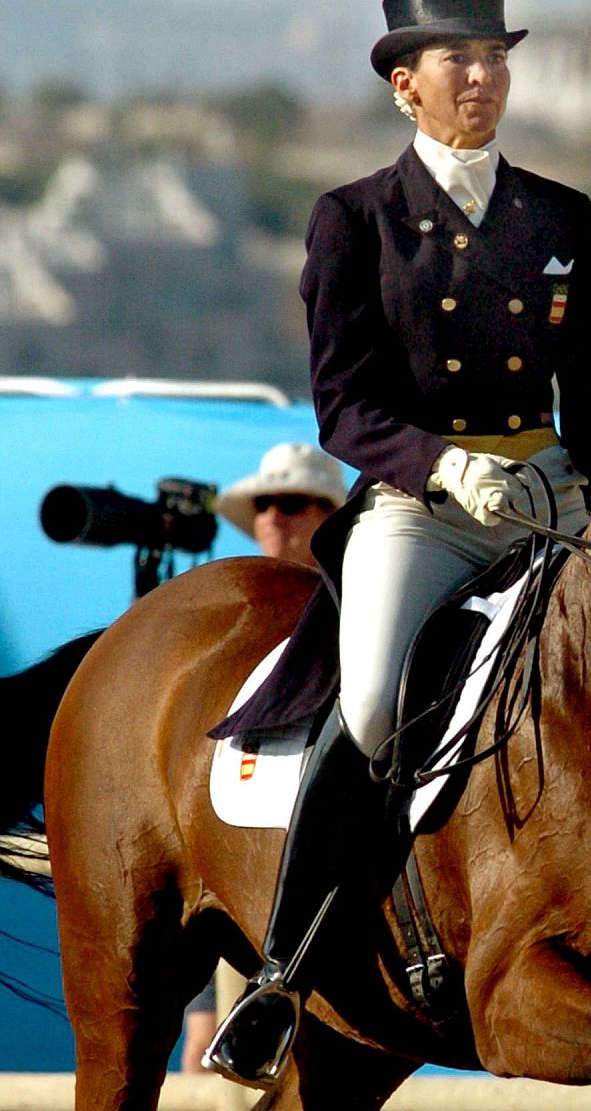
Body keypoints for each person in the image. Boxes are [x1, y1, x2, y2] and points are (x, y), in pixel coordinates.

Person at [203, 0, 591, 1088]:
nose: (483, 77)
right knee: (377, 699)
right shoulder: (354, 218)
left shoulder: (558, 214)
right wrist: (445, 470)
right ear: (406, 86)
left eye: (495, 57)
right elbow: (342, 405)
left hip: (546, 499)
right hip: (422, 509)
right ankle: (284, 972)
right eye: (458, 61)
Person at [179, 442, 344, 1074]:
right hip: (220, 893)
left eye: (294, 503)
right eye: (266, 505)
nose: (274, 517)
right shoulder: (222, 630)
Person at [214, 442, 345, 567]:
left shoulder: (359, 586)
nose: (272, 518)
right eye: (262, 504)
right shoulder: (235, 587)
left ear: (330, 517)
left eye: (291, 504)